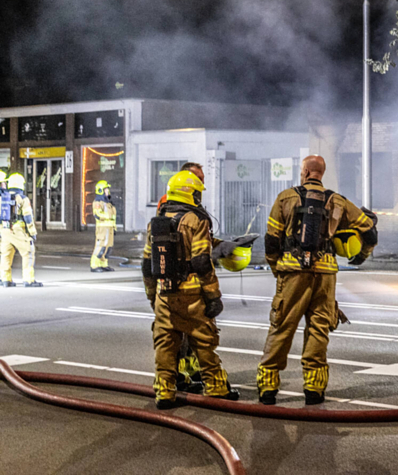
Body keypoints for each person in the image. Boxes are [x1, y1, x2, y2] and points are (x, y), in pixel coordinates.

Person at [256, 155, 377, 406]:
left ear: (304, 172)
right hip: (325, 274)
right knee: (318, 329)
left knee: (281, 326)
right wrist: (361, 256)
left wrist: (276, 267)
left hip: (292, 272)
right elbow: (370, 230)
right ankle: (314, 388)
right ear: (321, 173)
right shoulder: (338, 200)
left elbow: (271, 240)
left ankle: (268, 387)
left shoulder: (285, 197)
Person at [142, 169, 239, 409]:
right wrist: (213, 296)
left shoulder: (156, 222)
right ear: (190, 194)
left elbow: (147, 265)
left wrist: (152, 294)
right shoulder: (197, 220)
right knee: (204, 342)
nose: (199, 198)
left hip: (164, 293)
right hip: (192, 294)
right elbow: (201, 262)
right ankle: (216, 388)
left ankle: (164, 392)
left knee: (165, 344)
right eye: (197, 193)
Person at [0, 172, 40, 288]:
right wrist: (32, 232)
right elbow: (28, 217)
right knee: (28, 253)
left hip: (5, 230)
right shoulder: (23, 198)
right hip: (18, 230)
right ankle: (29, 280)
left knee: (6, 255)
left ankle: (5, 279)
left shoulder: (3, 197)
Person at [90, 180, 117, 273]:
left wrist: (114, 227)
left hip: (109, 229)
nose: (108, 191)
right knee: (100, 246)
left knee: (108, 247)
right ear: (101, 190)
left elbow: (113, 217)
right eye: (106, 189)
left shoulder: (108, 203)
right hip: (102, 229)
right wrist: (107, 217)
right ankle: (94, 265)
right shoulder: (98, 203)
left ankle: (103, 264)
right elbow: (97, 214)